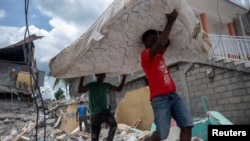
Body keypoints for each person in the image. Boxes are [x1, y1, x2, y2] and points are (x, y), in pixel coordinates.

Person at [140, 9, 193, 141]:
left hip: (173, 95)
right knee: (162, 134)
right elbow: (160, 43)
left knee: (187, 126)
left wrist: (161, 28)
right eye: (151, 42)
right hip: (159, 99)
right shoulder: (145, 55)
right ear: (145, 44)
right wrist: (170, 21)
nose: (154, 43)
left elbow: (166, 42)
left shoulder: (159, 55)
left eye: (155, 40)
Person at [78, 73, 127, 141]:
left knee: (114, 125)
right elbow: (80, 90)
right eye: (100, 75)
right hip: (95, 115)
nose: (102, 77)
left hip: (104, 112)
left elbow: (119, 89)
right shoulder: (91, 85)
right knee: (95, 137)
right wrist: (82, 77)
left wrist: (124, 78)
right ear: (96, 75)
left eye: (103, 75)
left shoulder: (106, 85)